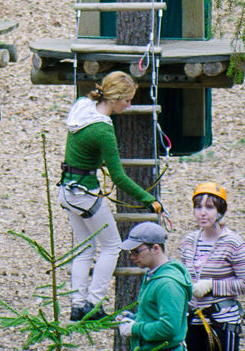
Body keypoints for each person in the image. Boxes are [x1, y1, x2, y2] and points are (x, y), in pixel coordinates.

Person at [59, 71, 164, 321]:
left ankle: (77, 305)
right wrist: (149, 198)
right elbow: (118, 177)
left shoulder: (82, 108)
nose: (129, 105)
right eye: (127, 100)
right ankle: (94, 304)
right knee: (112, 246)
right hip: (85, 194)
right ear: (116, 98)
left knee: (84, 248)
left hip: (66, 190)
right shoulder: (103, 130)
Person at [178, 181, 245, 351]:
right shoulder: (188, 242)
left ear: (220, 211)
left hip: (222, 321)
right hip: (193, 320)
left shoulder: (233, 243)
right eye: (198, 207)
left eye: (209, 208)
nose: (202, 213)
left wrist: (212, 286)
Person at [114, 221, 190, 351]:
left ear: (155, 248)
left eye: (136, 251)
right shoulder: (153, 274)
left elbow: (169, 328)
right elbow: (154, 314)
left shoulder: (168, 284)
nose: (132, 257)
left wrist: (134, 328)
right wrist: (134, 318)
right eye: (130, 252)